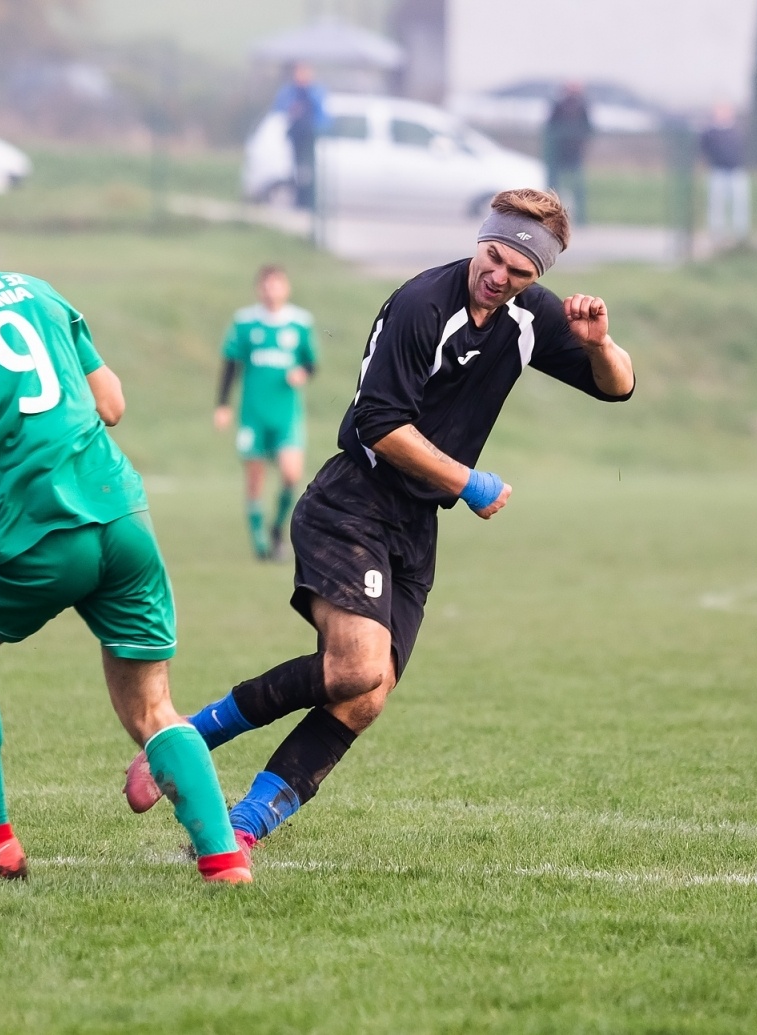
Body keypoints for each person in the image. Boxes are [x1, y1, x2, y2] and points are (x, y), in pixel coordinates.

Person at [124, 189, 634, 851]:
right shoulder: (422, 304)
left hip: (414, 528)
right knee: (357, 667)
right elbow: (380, 424)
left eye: (520, 272)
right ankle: (182, 741)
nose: (500, 275)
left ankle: (244, 825)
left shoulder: (528, 315)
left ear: (537, 278)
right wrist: (468, 481)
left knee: (365, 695)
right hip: (353, 504)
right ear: (482, 238)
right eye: (495, 256)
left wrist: (600, 344)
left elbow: (617, 385)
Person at [0, 173, 250, 884]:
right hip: (121, 515)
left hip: (32, 532)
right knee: (152, 703)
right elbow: (112, 404)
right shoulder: (33, 287)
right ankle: (222, 859)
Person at [215, 265, 318, 561]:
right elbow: (231, 364)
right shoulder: (245, 322)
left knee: (290, 474)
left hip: (286, 415)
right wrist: (223, 405)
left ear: (286, 288)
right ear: (259, 289)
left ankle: (276, 529)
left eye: (277, 285)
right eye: (266, 286)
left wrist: (302, 372)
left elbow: (311, 362)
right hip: (253, 415)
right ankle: (259, 540)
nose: (271, 291)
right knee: (255, 477)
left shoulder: (300, 323)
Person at [273, 62, 327, 210]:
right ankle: (298, 199)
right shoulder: (289, 92)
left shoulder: (315, 92)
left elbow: (322, 116)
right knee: (296, 170)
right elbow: (279, 109)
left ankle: (309, 200)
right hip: (295, 136)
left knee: (309, 170)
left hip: (310, 137)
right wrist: (292, 110)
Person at [700, 102, 750, 244]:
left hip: (736, 171)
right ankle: (717, 232)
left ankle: (740, 233)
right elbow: (704, 149)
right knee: (717, 204)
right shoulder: (710, 132)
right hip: (718, 171)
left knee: (739, 203)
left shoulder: (737, 130)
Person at [544, 82, 592, 225]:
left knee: (578, 188)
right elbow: (550, 127)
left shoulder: (583, 107)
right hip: (557, 154)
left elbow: (588, 128)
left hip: (574, 154)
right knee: (553, 189)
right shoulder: (558, 105)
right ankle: (550, 217)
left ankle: (581, 220)